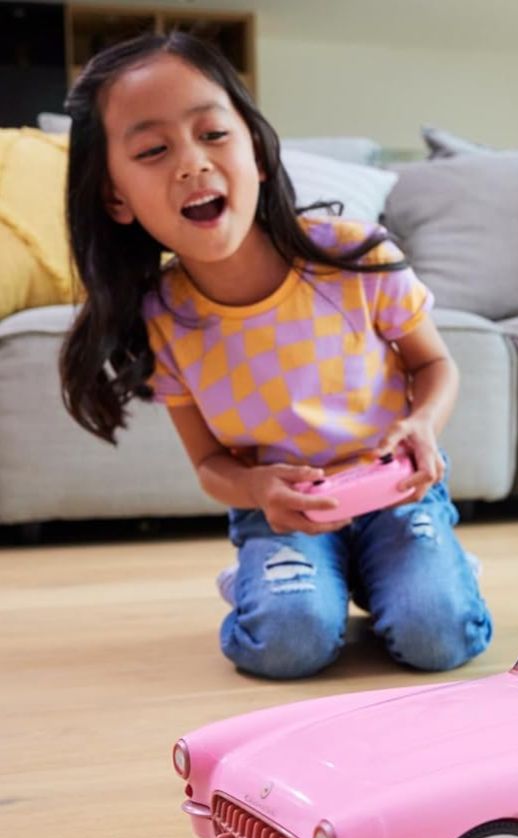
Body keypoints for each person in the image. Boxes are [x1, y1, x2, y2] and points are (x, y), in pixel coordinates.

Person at [58, 32, 492, 679]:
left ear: (257, 152)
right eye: (152, 150)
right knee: (288, 644)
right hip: (284, 512)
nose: (191, 164)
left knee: (439, 635)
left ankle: (425, 571)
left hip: (395, 492)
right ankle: (272, 580)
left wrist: (422, 423)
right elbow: (209, 464)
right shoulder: (163, 317)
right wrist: (257, 488)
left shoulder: (355, 256)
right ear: (115, 197)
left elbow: (435, 365)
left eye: (213, 134)